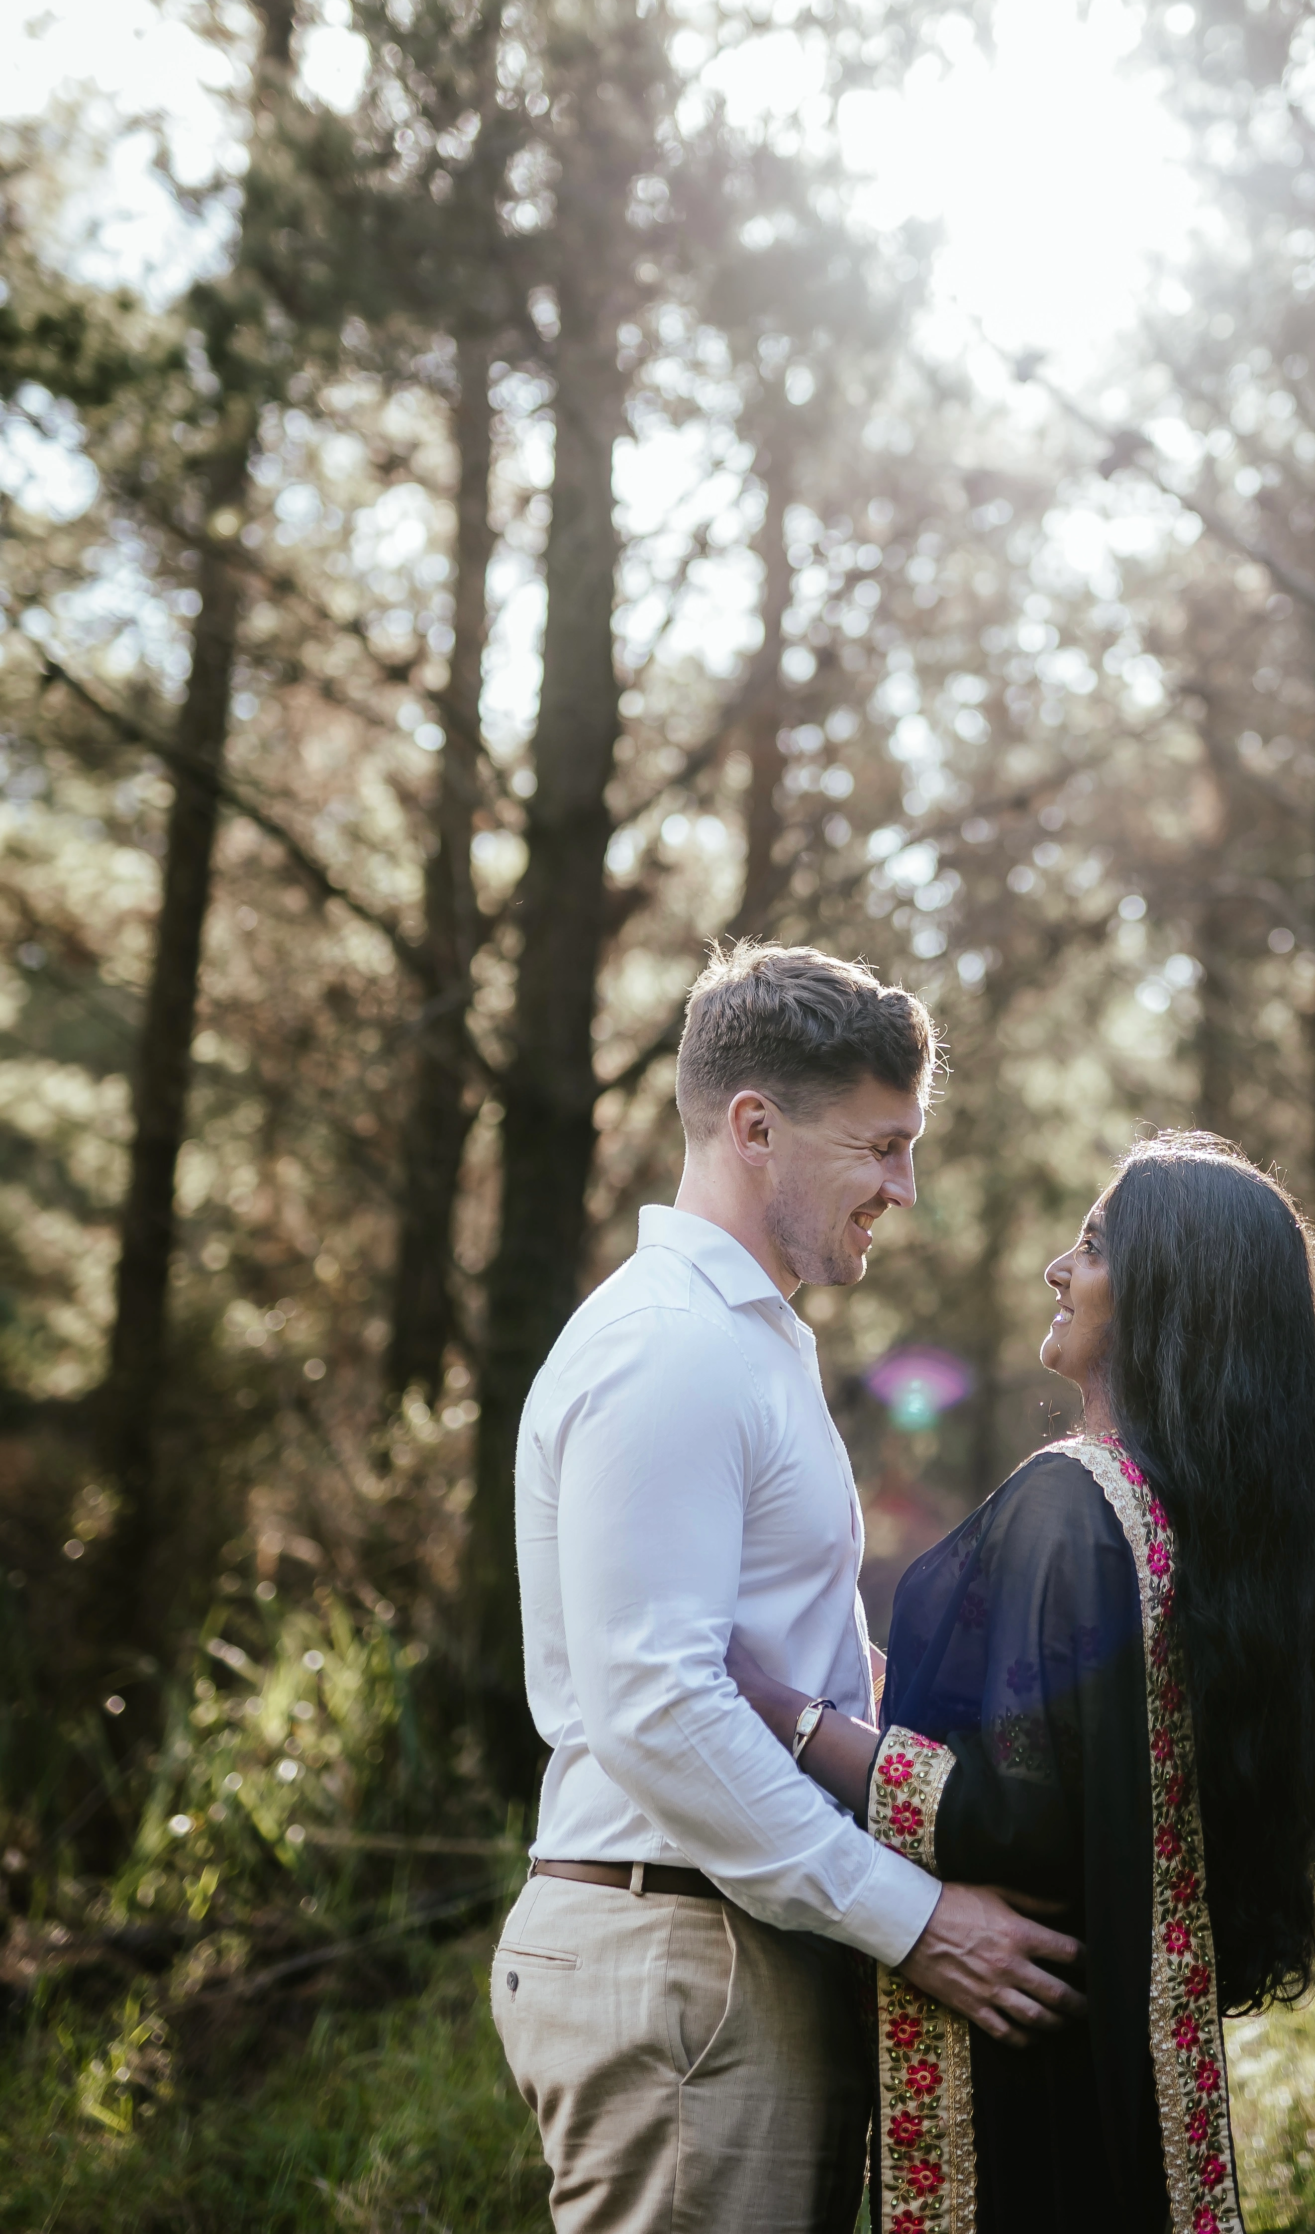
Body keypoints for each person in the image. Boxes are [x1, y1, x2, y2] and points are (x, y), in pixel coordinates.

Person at [492, 941, 1085, 2234]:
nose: (905, 1188)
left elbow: (764, 1658)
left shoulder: (745, 1345)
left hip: (725, 1945)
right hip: (683, 1960)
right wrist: (915, 1920)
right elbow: (658, 1706)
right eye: (879, 1146)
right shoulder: (673, 1353)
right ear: (756, 1127)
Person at [729, 1131, 1315, 2234]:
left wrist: (788, 1714)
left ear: (1166, 1293)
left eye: (1093, 1245)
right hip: (1119, 2054)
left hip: (1020, 2053)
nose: (1059, 1270)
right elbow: (1079, 1747)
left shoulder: (1070, 1501)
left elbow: (1015, 1813)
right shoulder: (1182, 1522)